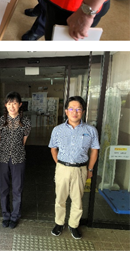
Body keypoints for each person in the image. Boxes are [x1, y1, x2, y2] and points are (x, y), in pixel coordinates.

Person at [48, 96, 99, 239]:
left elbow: (95, 150)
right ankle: (59, 223)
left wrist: (90, 169)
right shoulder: (57, 130)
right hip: (62, 168)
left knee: (77, 199)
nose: (74, 112)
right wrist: (59, 163)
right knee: (60, 198)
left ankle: (73, 225)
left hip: (81, 169)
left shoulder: (90, 130)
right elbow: (53, 148)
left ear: (83, 111)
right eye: (71, 109)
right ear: (66, 111)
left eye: (78, 109)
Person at [0, 92, 31, 229]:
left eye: (15, 103)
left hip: (19, 159)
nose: (12, 106)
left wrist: (14, 151)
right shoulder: (0, 122)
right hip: (2, 159)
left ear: (20, 105)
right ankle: (6, 215)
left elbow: (23, 142)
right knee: (3, 189)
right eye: (9, 103)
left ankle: (15, 216)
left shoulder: (26, 122)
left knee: (17, 189)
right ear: (5, 105)